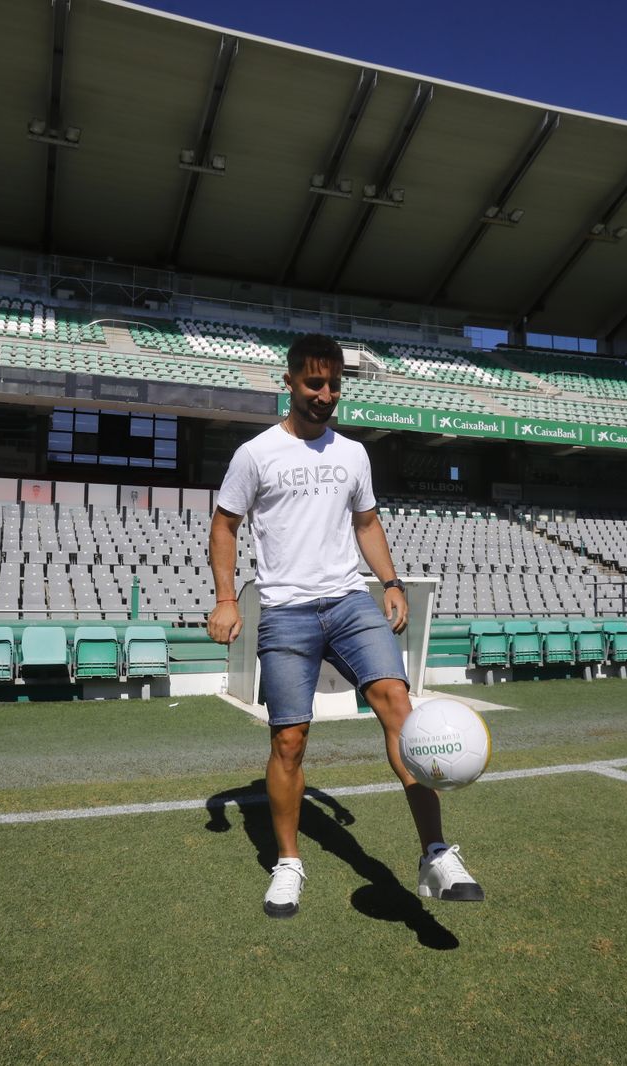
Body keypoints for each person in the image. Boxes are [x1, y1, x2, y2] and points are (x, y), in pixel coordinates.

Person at [207, 333, 484, 919]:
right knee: (288, 739)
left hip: (348, 601)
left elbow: (367, 523)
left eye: (334, 384)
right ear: (289, 383)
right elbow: (225, 525)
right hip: (284, 610)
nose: (326, 394)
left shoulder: (353, 454)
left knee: (398, 707)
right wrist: (227, 598)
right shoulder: (255, 454)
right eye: (314, 383)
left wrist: (389, 583)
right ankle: (288, 863)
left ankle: (435, 853)